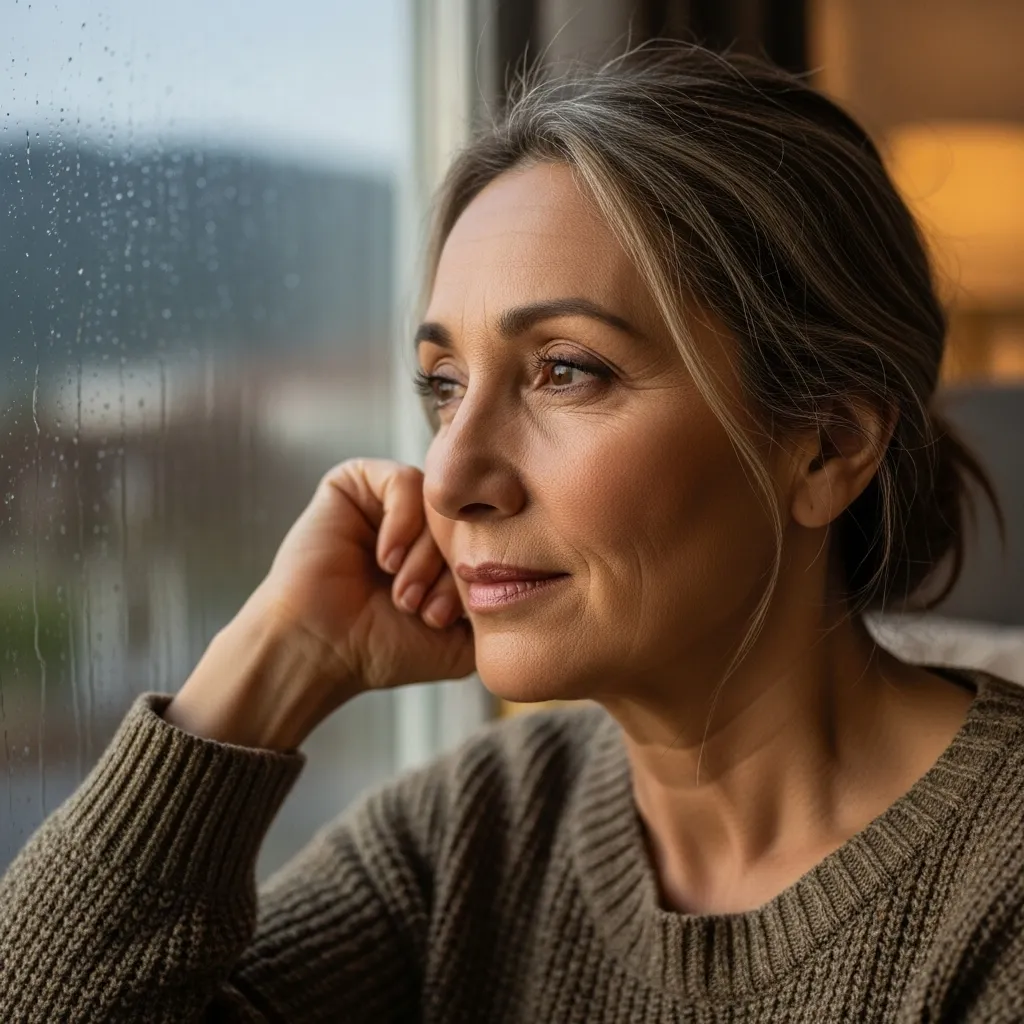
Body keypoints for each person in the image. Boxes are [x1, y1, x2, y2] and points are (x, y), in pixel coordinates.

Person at [1, 42, 1021, 1023]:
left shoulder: (998, 888)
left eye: (564, 370)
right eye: (443, 387)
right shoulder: (468, 837)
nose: (448, 475)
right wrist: (274, 663)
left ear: (826, 446)